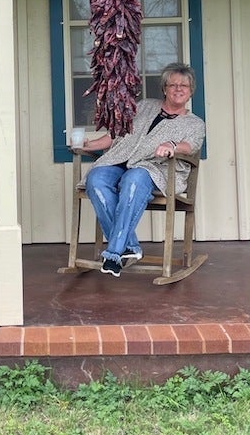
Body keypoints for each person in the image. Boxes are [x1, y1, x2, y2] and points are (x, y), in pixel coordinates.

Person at [75, 63, 206, 277]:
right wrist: (88, 145)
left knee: (133, 179)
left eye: (184, 85)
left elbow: (190, 146)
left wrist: (172, 146)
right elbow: (116, 135)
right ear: (164, 88)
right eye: (173, 84)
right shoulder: (145, 106)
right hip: (121, 159)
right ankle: (130, 247)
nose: (178, 89)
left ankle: (115, 254)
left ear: (191, 91)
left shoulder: (194, 124)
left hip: (156, 169)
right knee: (96, 179)